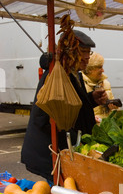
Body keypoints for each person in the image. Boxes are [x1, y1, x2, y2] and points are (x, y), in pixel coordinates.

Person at [21, 30, 108, 183]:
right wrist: (78, 142)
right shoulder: (55, 75)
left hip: (63, 152)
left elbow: (72, 105)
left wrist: (91, 99)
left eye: (89, 52)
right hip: (50, 154)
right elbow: (49, 116)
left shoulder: (75, 73)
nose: (88, 57)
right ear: (70, 52)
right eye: (83, 52)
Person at [82, 52, 118, 121]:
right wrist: (92, 118)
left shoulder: (106, 83)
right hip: (92, 128)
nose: (103, 70)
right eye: (99, 67)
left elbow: (115, 111)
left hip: (107, 126)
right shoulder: (82, 85)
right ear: (89, 69)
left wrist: (114, 108)